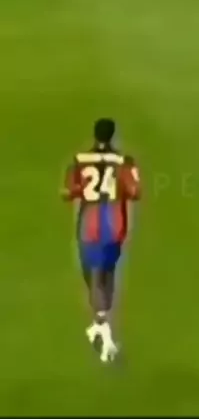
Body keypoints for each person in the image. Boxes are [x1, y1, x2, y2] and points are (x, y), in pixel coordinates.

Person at [62, 119, 141, 363]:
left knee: (94, 276)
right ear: (113, 135)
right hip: (115, 224)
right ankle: (100, 322)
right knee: (107, 274)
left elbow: (67, 192)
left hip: (90, 224)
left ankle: (103, 328)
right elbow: (135, 191)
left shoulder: (80, 160)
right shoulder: (124, 162)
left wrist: (80, 191)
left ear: (94, 134)